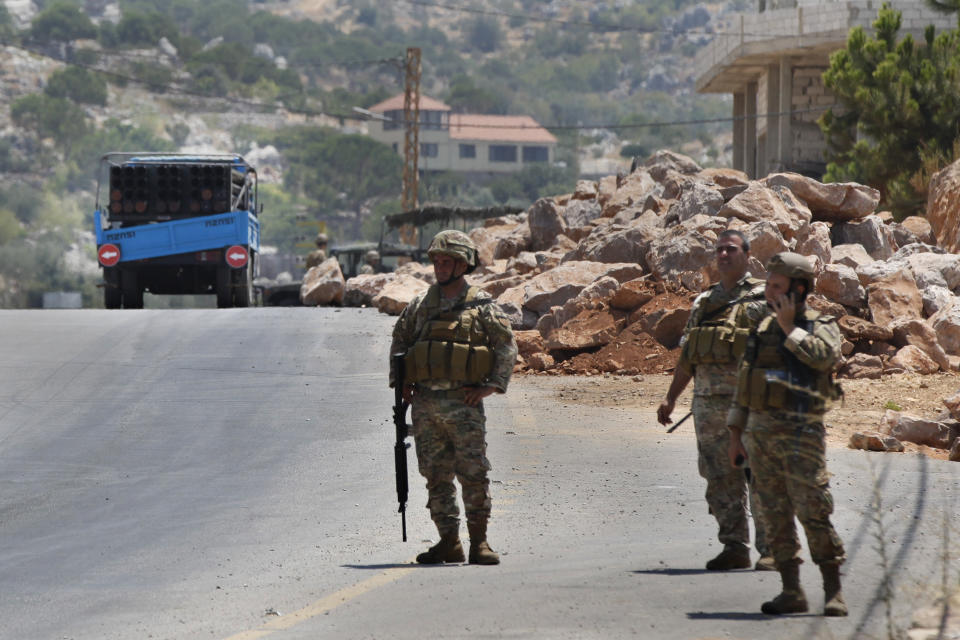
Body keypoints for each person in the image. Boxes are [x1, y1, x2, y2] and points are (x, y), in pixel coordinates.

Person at [726, 252, 847, 616]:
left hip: (801, 438)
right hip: (761, 440)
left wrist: (790, 328)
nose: (769, 292)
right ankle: (791, 590)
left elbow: (825, 358)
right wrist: (736, 436)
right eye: (767, 285)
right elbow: (744, 386)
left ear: (798, 289)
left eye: (776, 286)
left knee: (814, 512)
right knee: (775, 515)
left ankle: (832, 591)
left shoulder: (819, 325)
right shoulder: (761, 330)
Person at [390, 230, 518, 565]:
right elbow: (400, 343)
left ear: (463, 265)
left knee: (473, 474)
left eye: (447, 262)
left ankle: (479, 543)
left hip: (465, 406)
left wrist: (490, 388)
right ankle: (449, 541)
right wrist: (401, 384)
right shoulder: (421, 306)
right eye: (437, 261)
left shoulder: (481, 305)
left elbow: (506, 347)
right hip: (426, 407)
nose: (440, 267)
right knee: (436, 476)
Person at [657, 230, 773, 571]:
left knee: (759, 477)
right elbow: (689, 356)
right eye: (720, 250)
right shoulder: (704, 303)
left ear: (747, 256)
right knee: (720, 477)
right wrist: (670, 397)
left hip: (751, 404)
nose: (724, 255)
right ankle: (734, 546)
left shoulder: (764, 299)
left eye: (731, 249)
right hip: (708, 407)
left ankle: (770, 550)